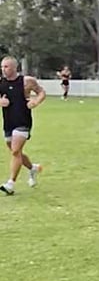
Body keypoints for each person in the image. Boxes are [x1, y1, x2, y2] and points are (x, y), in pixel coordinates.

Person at [0, 56, 46, 195]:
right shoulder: (1, 82)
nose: (3, 69)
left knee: (15, 151)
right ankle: (32, 168)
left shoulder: (26, 81)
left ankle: (10, 184)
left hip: (23, 121)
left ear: (15, 67)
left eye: (6, 67)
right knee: (16, 152)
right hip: (8, 122)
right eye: (2, 67)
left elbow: (41, 92)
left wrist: (36, 101)